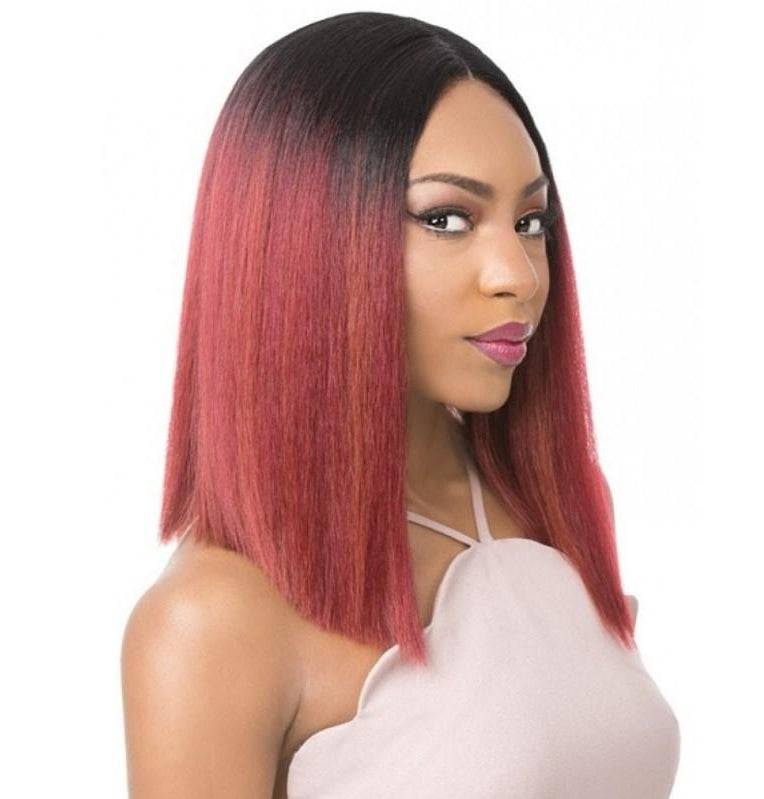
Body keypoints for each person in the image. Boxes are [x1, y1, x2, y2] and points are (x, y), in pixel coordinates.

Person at [121, 12, 680, 798]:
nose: (518, 274)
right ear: (303, 240)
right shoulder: (213, 620)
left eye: (530, 222)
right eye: (447, 218)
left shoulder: (558, 503)